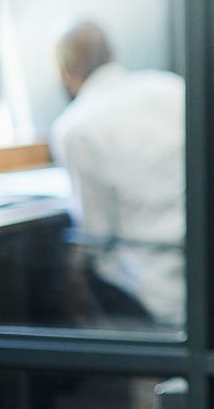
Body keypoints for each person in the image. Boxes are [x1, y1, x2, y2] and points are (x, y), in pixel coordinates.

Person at [50, 20, 186, 328]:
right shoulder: (172, 88)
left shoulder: (75, 128)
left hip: (151, 285)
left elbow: (96, 233)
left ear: (65, 71)